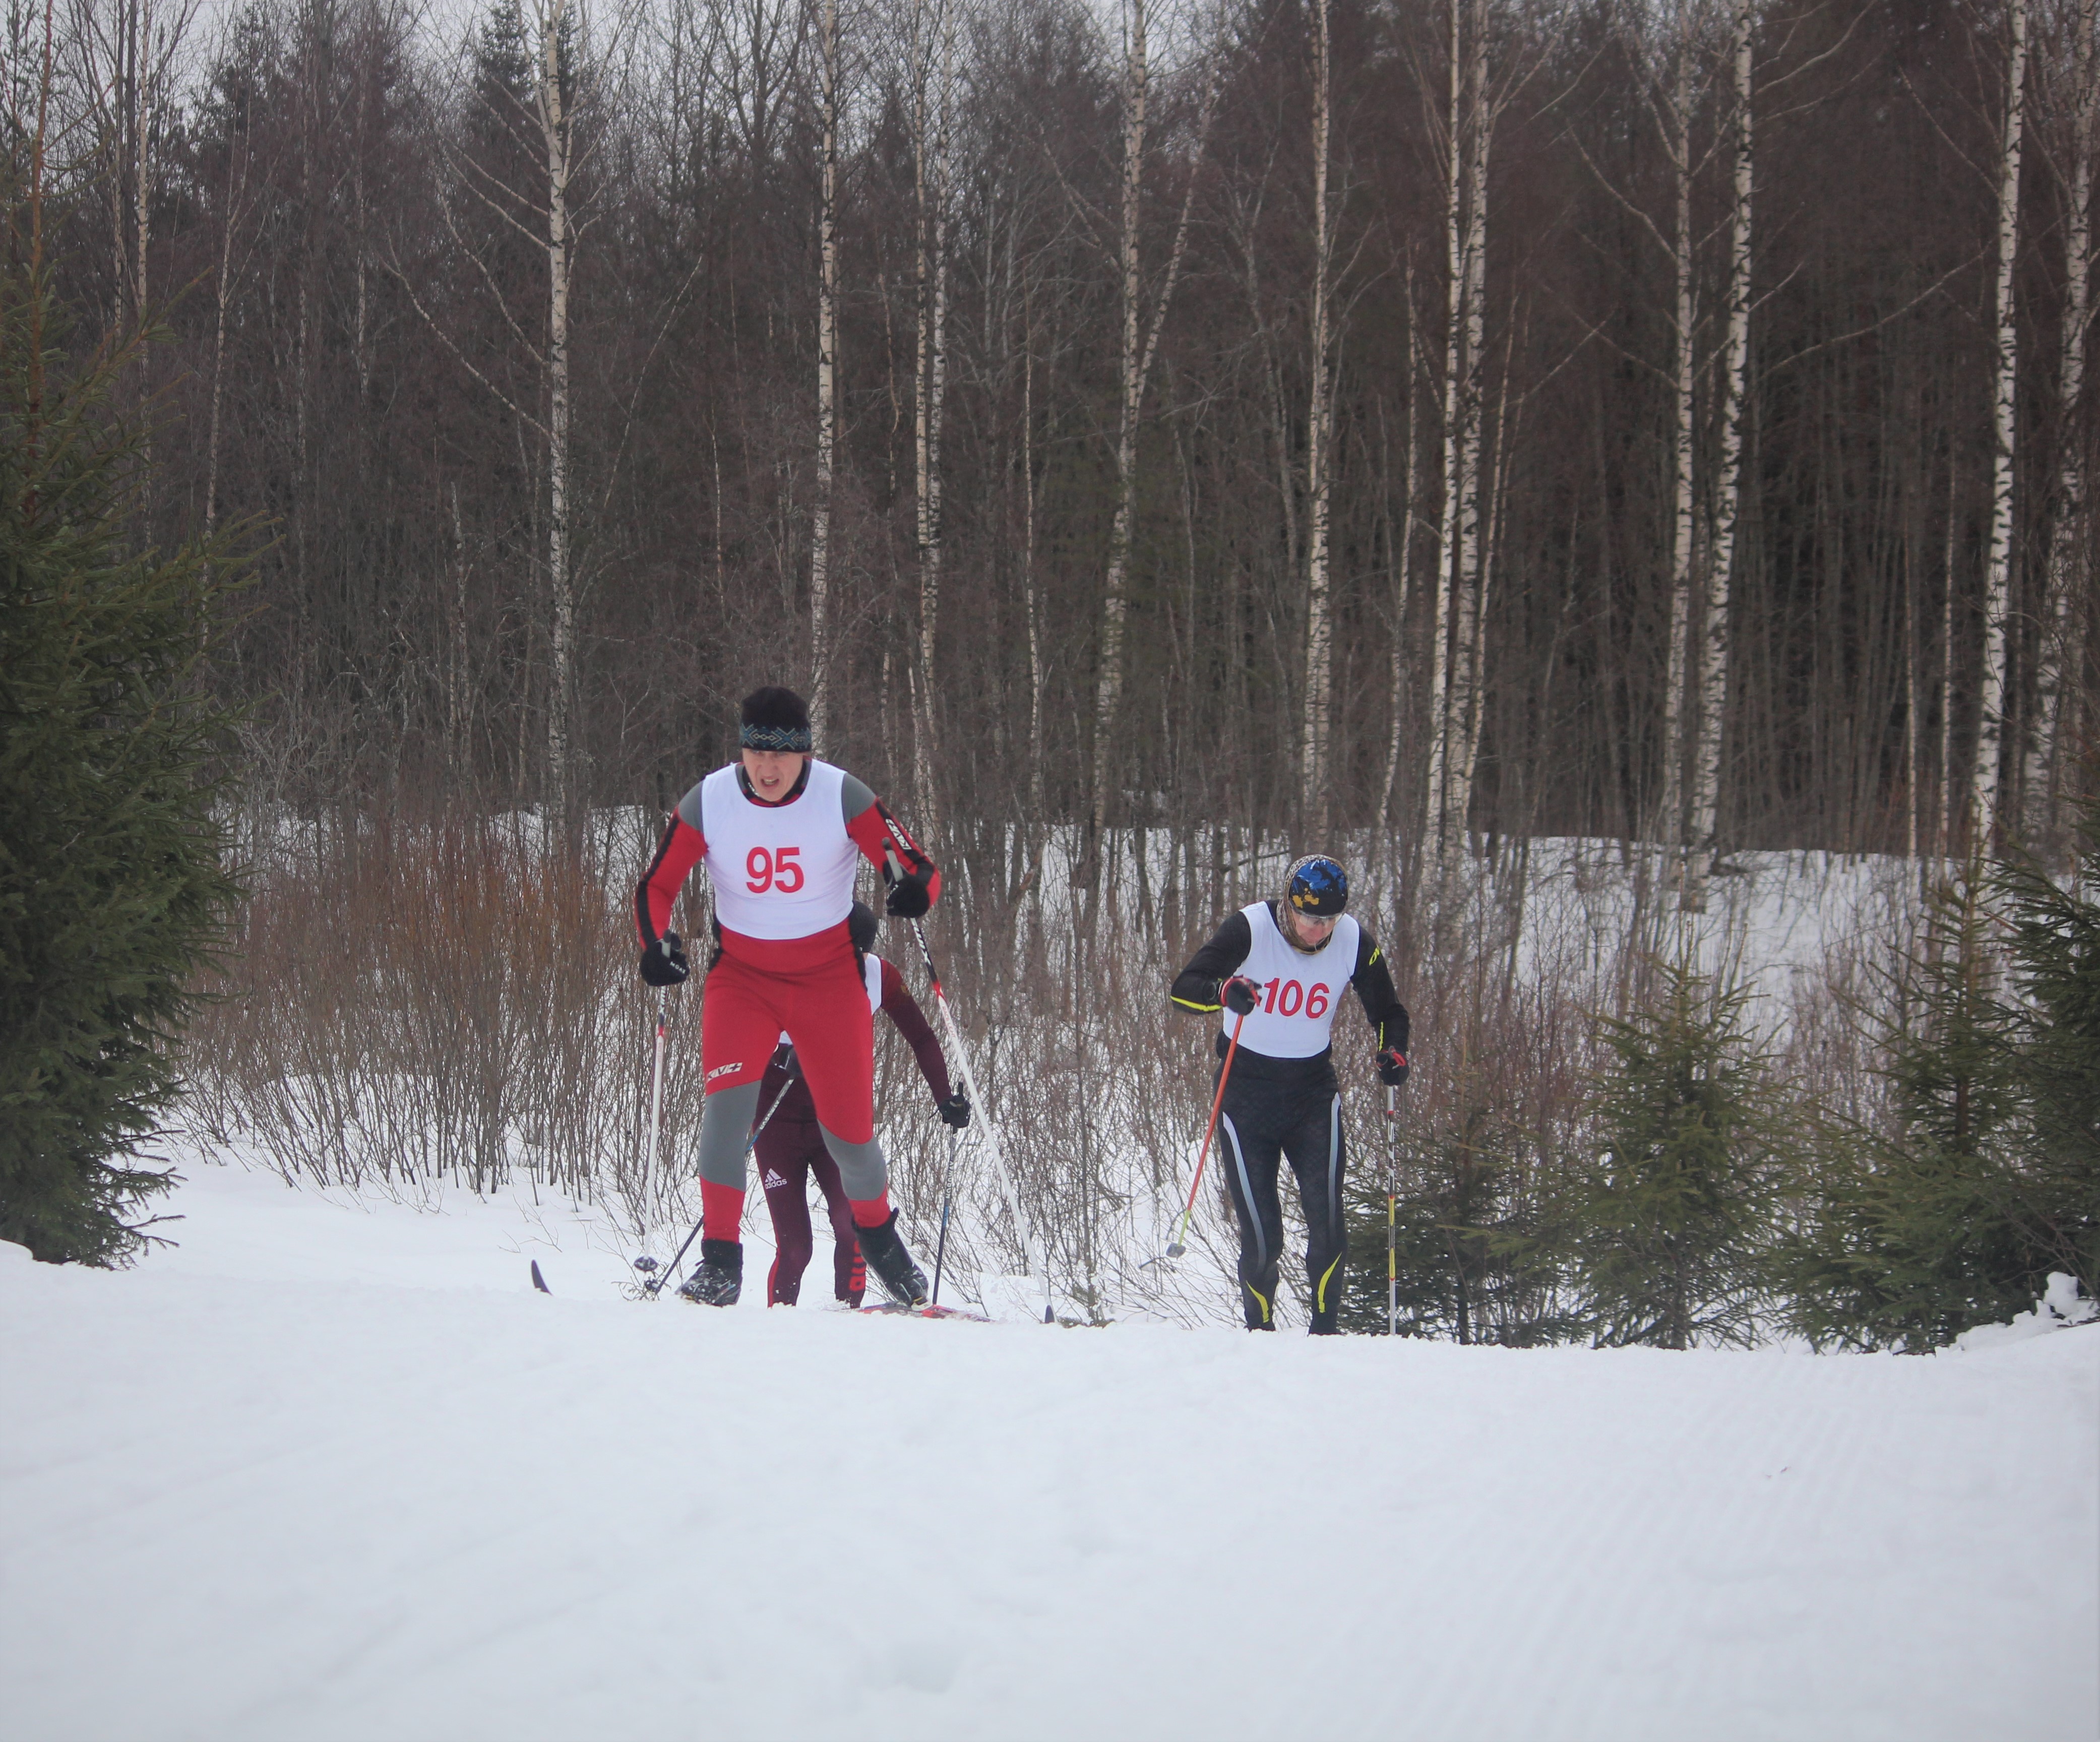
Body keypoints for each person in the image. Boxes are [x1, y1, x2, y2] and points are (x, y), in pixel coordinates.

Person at [634, 685, 942, 1308]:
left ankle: (884, 1246)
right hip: (741, 982)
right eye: (754, 753)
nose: (767, 769)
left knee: (850, 1139)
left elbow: (913, 864)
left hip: (828, 983)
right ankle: (720, 1261)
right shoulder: (711, 800)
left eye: (782, 756)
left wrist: (913, 890)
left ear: (805, 754)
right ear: (740, 750)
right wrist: (654, 944)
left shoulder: (838, 794)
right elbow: (656, 884)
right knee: (722, 1118)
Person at [1168, 854, 1410, 1334]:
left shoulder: (1354, 941)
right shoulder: (1251, 927)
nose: (1317, 931)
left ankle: (1325, 1334)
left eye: (1328, 920)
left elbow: (1389, 1013)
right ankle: (1262, 1335)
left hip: (1312, 1097)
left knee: (1328, 1225)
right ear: (1290, 906)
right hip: (1244, 1094)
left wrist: (1394, 1052)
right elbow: (1183, 990)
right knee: (1262, 1238)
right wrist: (1224, 992)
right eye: (1307, 917)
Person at [756, 902, 969, 1307]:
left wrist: (945, 1098)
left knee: (852, 1228)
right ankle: (777, 1332)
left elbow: (921, 1037)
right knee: (796, 1247)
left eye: (855, 955)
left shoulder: (879, 975)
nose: (846, 965)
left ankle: (848, 1321)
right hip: (777, 1123)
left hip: (835, 1124)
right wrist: (781, 1055)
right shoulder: (788, 970)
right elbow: (743, 1032)